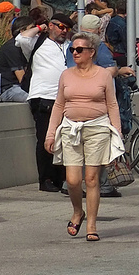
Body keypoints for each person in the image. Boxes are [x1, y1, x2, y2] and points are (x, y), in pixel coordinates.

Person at [47, 31, 123, 241]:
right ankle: (77, 211)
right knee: (72, 180)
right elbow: (59, 105)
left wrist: (116, 132)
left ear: (92, 52)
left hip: (97, 128)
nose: (75, 53)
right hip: (71, 128)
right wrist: (50, 134)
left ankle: (91, 225)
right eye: (73, 49)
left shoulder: (103, 75)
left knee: (91, 179)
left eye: (80, 49)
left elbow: (112, 104)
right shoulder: (66, 75)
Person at [24, 12, 74, 192]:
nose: (64, 31)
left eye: (67, 29)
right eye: (61, 27)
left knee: (65, 139)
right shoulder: (38, 42)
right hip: (43, 97)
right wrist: (40, 27)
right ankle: (45, 179)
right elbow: (21, 39)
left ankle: (61, 179)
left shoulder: (69, 46)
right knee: (46, 137)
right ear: (51, 25)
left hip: (65, 98)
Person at [0, 15, 31, 102]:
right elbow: (22, 78)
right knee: (32, 100)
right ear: (22, 31)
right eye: (32, 28)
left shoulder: (25, 47)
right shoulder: (12, 48)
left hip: (18, 87)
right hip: (7, 89)